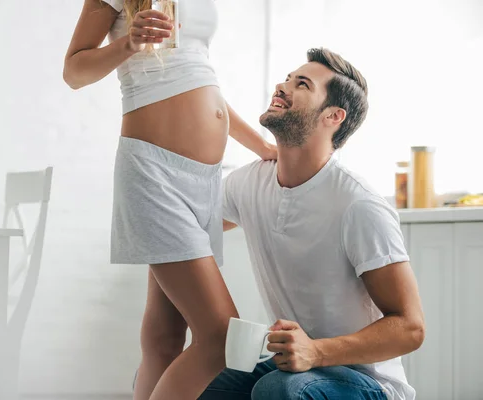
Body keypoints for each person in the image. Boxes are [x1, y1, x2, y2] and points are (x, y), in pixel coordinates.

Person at [63, 1, 277, 399]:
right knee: (219, 337)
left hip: (204, 181)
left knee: (166, 338)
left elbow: (196, 79)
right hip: (153, 172)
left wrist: (261, 145)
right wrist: (130, 42)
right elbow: (74, 72)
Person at [200, 48, 425, 400]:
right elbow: (195, 228)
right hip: (296, 365)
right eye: (288, 78)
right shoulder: (248, 184)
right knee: (180, 380)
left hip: (369, 383)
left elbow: (410, 328)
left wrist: (316, 352)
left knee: (279, 388)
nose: (282, 86)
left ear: (333, 116)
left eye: (301, 84)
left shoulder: (358, 204)